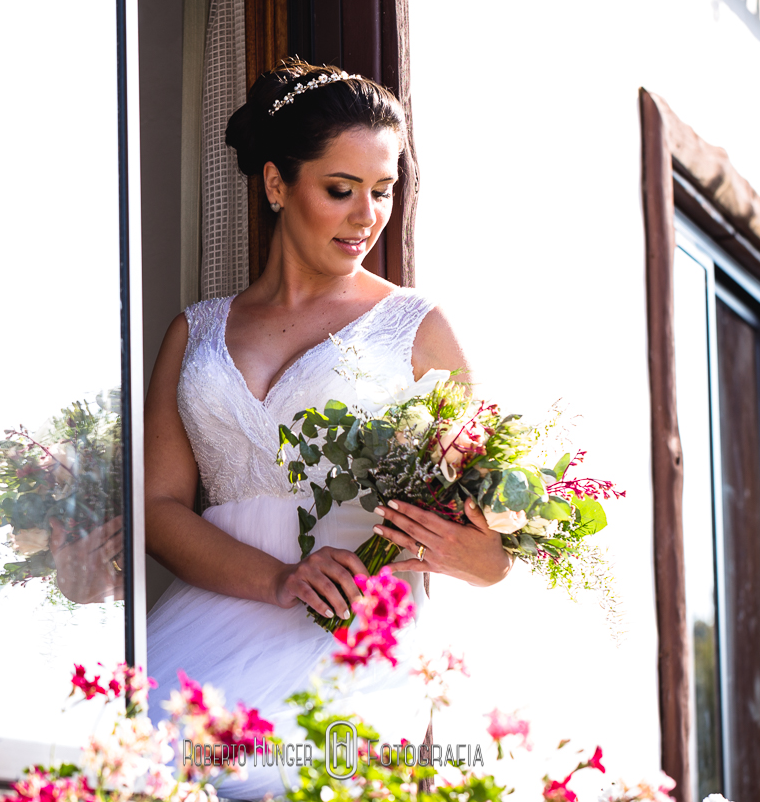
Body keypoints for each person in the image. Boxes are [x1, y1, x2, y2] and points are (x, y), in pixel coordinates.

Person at [142, 60, 511, 800]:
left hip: (354, 645)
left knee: (283, 775)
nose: (366, 216)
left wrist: (473, 555)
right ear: (277, 184)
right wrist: (279, 579)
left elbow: (492, 545)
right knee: (139, 759)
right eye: (341, 190)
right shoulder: (195, 332)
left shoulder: (418, 329)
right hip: (204, 628)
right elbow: (157, 509)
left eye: (383, 191)